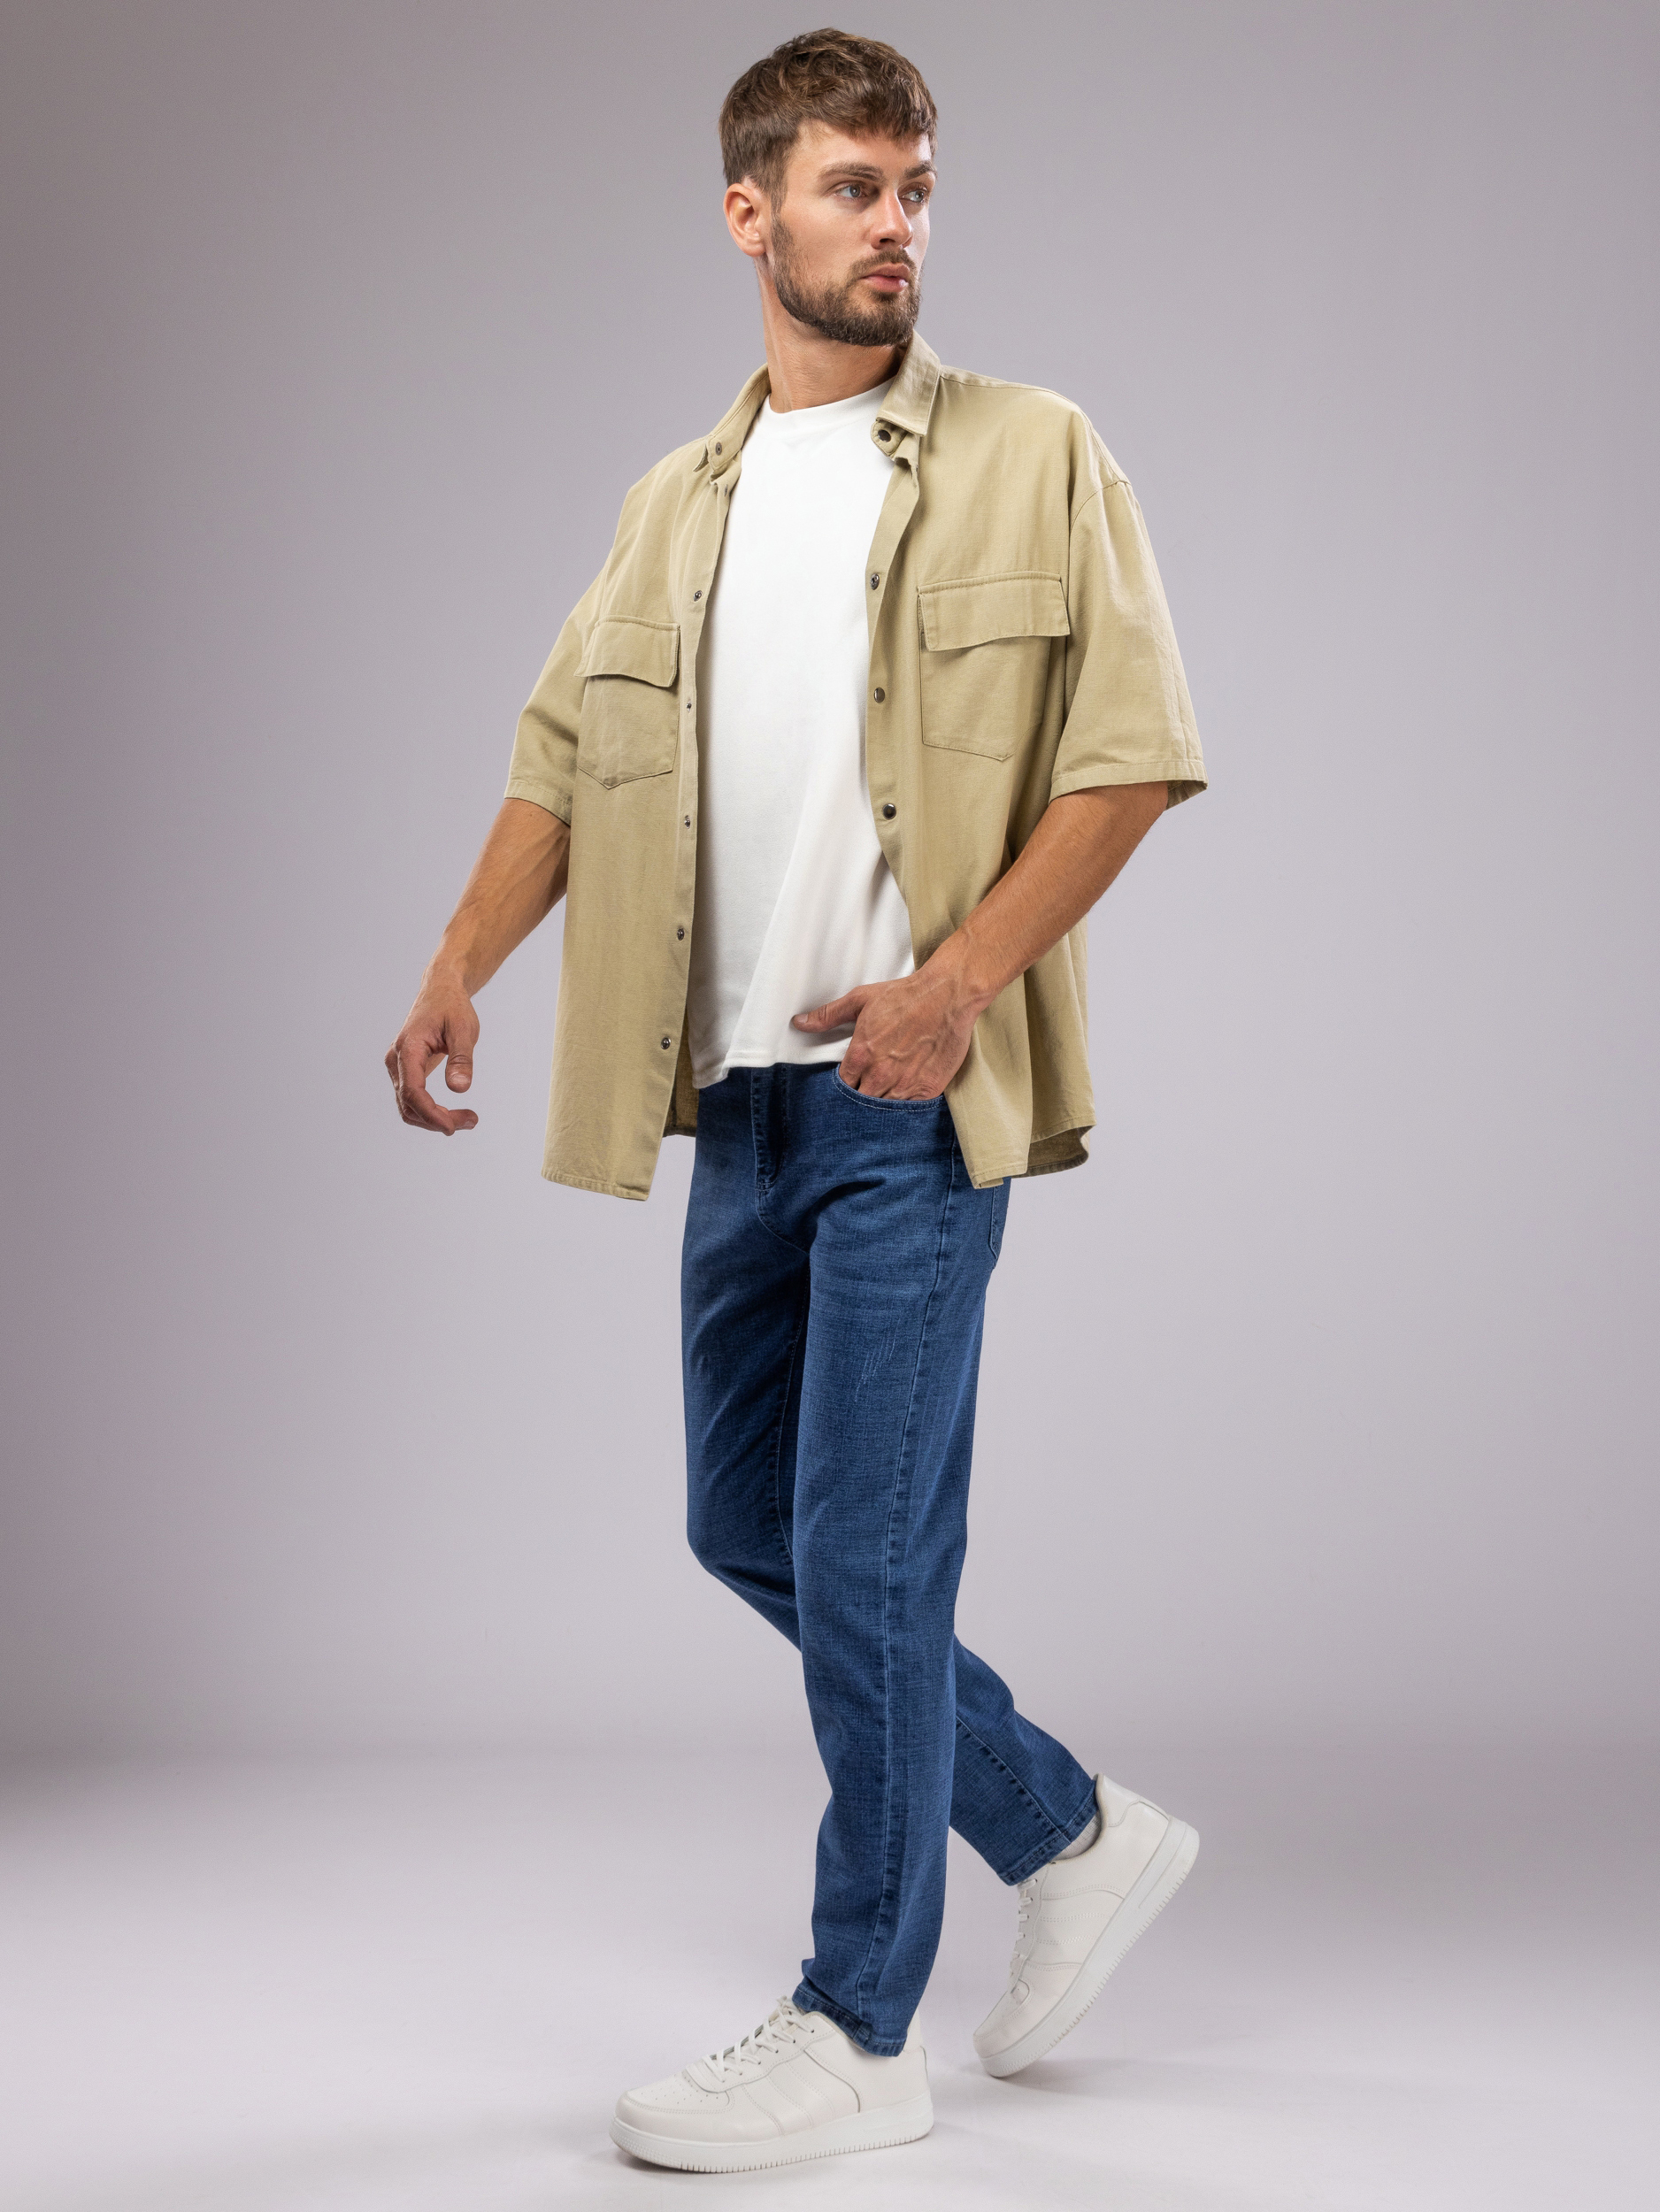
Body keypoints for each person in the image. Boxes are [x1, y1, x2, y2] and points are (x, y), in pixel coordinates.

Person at [387, 27, 1207, 2177]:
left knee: (859, 1547)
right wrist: (459, 960)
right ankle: (1068, 1829)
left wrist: (953, 987)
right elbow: (560, 755)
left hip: (905, 1093)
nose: (895, 225)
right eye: (853, 188)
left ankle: (858, 2025)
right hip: (737, 1103)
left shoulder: (1033, 451)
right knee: (743, 1521)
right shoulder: (677, 502)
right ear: (748, 214)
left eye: (914, 187)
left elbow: (1128, 754)